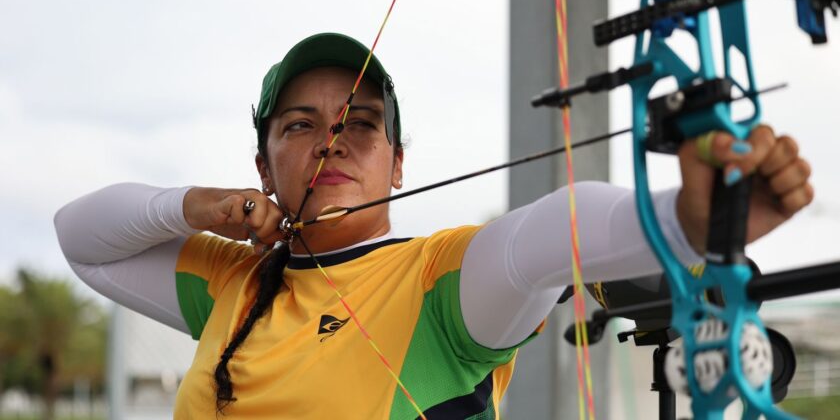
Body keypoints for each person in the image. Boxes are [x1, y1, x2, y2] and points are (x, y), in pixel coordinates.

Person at [54, 33, 813, 419]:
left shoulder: (435, 284)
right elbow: (80, 239)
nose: (332, 140)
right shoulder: (231, 280)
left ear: (398, 164)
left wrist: (689, 223)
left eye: (362, 124)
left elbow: (551, 235)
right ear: (263, 166)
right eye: (299, 125)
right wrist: (196, 207)